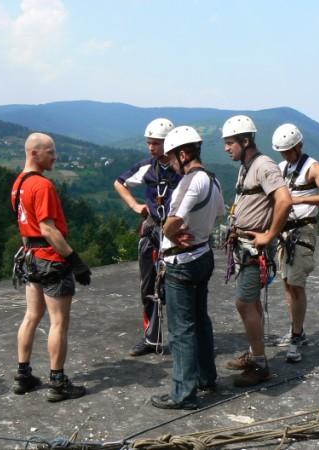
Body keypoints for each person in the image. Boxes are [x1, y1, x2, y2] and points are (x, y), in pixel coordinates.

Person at [11, 132, 91, 402]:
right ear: (34, 153)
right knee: (58, 323)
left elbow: (25, 228)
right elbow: (47, 228)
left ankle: (23, 375)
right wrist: (74, 261)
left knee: (31, 316)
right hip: (51, 259)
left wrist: (29, 253)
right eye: (50, 151)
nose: (55, 156)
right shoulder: (42, 186)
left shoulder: (18, 184)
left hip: (31, 258)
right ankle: (58, 381)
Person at [150, 126, 225, 410]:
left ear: (183, 154)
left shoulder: (191, 182)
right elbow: (218, 213)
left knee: (181, 330)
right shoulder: (213, 180)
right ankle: (206, 378)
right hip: (203, 254)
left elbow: (172, 222)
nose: (170, 164)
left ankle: (184, 393)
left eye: (170, 159)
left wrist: (171, 233)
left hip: (182, 262)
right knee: (201, 321)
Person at [221, 115, 292, 387]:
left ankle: (260, 365)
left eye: (230, 143)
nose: (227, 148)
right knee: (252, 303)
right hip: (244, 246)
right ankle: (254, 353)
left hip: (255, 249)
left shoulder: (264, 166)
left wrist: (270, 234)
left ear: (246, 140)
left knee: (243, 303)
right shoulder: (246, 166)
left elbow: (284, 200)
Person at [264, 123, 319, 363]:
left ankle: (296, 336)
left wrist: (296, 200)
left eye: (288, 151)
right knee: (288, 283)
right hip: (285, 232)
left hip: (303, 231)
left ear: (299, 146)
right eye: (282, 152)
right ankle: (297, 330)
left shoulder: (313, 168)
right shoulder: (283, 167)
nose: (285, 156)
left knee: (296, 285)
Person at [114, 118, 181, 356]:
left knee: (176, 286)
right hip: (153, 229)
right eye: (149, 143)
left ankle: (181, 338)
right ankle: (152, 337)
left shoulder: (181, 169)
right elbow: (120, 183)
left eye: (156, 143)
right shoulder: (148, 166)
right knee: (148, 286)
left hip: (175, 233)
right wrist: (135, 206)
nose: (151, 148)